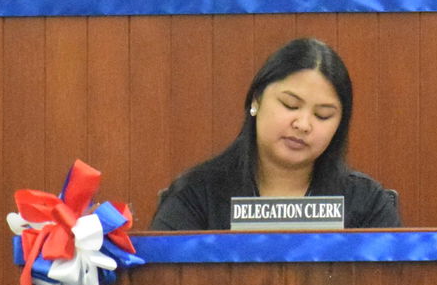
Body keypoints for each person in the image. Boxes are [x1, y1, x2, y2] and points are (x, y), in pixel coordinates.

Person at [150, 37, 400, 230]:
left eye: (322, 115)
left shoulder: (367, 204)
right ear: (256, 100)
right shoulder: (196, 195)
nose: (303, 124)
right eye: (290, 105)